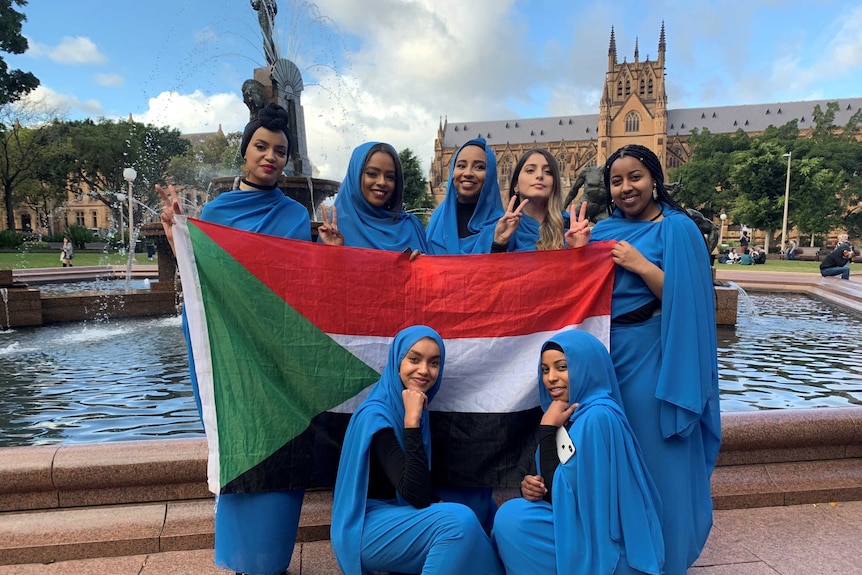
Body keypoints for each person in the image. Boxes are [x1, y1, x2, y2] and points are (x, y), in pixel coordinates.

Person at [157, 102, 340, 575]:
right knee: (242, 442)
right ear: (245, 151)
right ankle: (244, 562)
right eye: (261, 146)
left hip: (278, 355)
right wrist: (177, 232)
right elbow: (204, 283)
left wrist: (331, 256)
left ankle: (272, 560)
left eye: (280, 150)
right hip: (234, 354)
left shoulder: (296, 217)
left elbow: (304, 288)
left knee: (283, 448)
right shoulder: (216, 211)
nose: (271, 157)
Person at [565, 144, 721, 575]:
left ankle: (667, 560)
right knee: (614, 456)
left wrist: (640, 265)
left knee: (658, 457)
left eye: (635, 177)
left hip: (656, 352)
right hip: (609, 355)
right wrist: (576, 254)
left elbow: (691, 302)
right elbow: (576, 297)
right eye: (616, 181)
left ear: (654, 179)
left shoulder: (678, 229)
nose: (626, 187)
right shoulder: (598, 231)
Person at [331, 325, 504, 575]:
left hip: (395, 517)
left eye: (434, 363)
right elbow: (417, 495)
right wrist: (411, 423)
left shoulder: (410, 406)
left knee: (481, 505)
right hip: (363, 530)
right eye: (414, 359)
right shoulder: (376, 416)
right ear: (397, 361)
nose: (424, 370)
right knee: (456, 522)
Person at [492, 330, 664, 575]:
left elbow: (569, 495)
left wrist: (547, 430)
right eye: (545, 369)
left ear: (586, 366)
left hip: (603, 548)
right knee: (513, 517)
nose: (551, 378)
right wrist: (531, 487)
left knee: (512, 520)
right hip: (579, 528)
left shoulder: (598, 417)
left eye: (562, 367)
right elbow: (557, 487)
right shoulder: (572, 416)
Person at [317, 141, 427, 253]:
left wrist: (422, 264)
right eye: (372, 174)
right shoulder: (335, 229)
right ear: (355, 176)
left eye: (390, 177)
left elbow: (434, 269)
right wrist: (332, 253)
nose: (382, 182)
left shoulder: (412, 227)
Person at [425, 138, 526, 255]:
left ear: (491, 174)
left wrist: (499, 245)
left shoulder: (504, 225)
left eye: (479, 167)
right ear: (452, 170)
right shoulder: (437, 219)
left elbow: (507, 271)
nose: (467, 173)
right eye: (461, 166)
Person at [505, 148, 567, 251]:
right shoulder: (499, 228)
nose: (539, 175)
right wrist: (499, 244)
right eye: (530, 170)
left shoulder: (571, 226)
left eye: (548, 172)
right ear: (516, 185)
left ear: (555, 184)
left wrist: (578, 250)